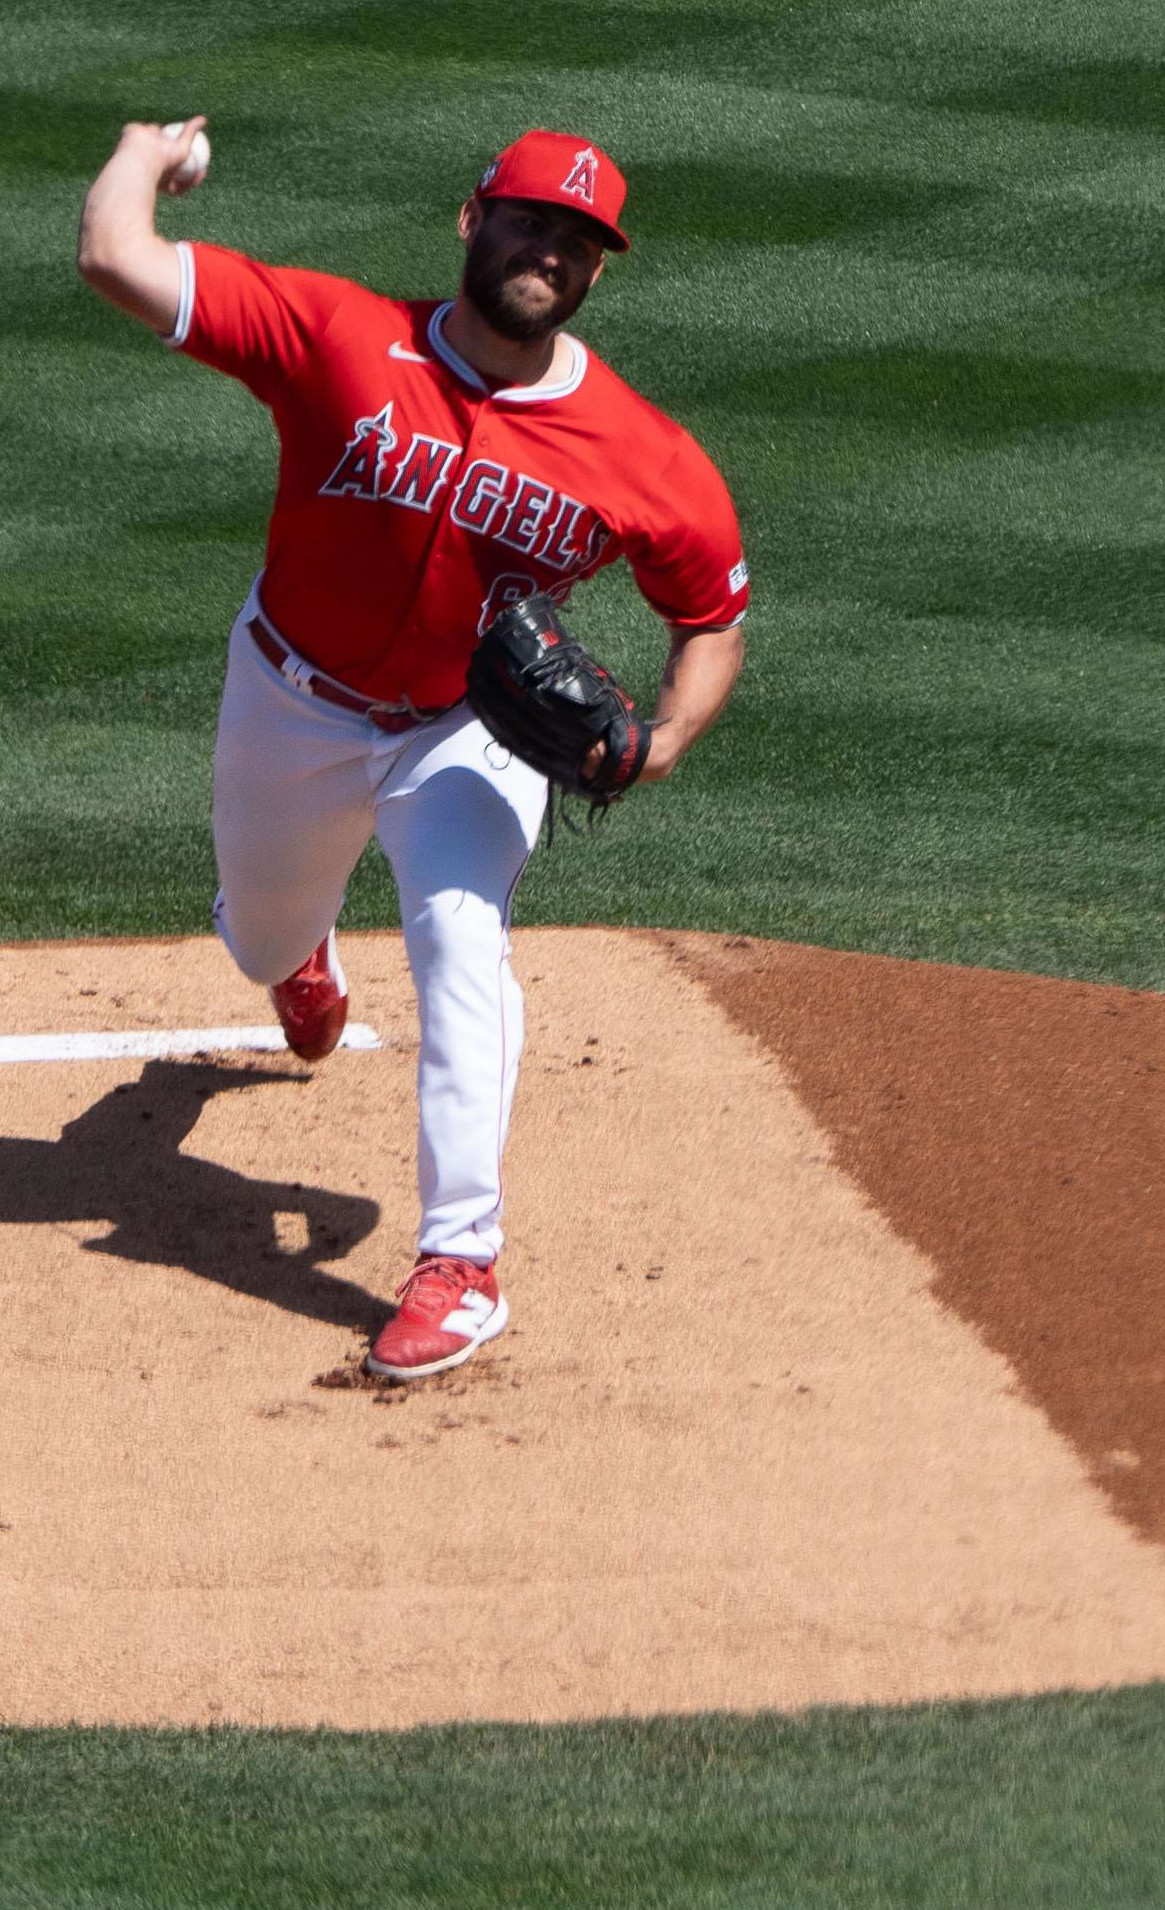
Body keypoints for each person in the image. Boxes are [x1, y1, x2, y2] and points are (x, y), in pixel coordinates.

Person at [75, 119, 750, 1380]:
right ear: (471, 219)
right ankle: (301, 954)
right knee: (260, 937)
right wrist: (140, 152)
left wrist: (658, 744)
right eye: (531, 220)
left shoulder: (641, 452)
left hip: (468, 729)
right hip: (291, 700)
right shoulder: (337, 334)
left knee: (458, 937)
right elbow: (118, 256)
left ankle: (461, 1261)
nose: (549, 251)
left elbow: (712, 613)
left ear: (601, 269)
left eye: (579, 240)